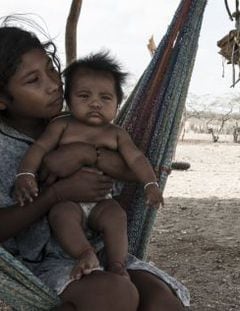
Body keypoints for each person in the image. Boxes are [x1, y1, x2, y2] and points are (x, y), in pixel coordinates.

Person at [0, 20, 189, 311]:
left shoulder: (78, 118)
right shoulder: (4, 147)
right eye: (32, 81)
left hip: (103, 249)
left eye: (51, 70)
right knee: (117, 296)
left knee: (163, 302)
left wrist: (85, 154)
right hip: (37, 267)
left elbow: (133, 170)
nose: (53, 85)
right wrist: (57, 193)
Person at [14, 51, 163, 281]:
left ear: (117, 103)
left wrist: (151, 184)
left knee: (117, 216)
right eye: (84, 96)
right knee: (61, 215)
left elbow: (136, 160)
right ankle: (86, 253)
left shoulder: (117, 134)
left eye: (105, 98)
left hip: (102, 201)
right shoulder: (61, 125)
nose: (95, 103)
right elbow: (40, 149)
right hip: (68, 201)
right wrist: (25, 174)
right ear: (69, 99)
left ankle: (116, 265)